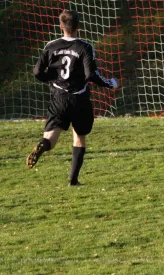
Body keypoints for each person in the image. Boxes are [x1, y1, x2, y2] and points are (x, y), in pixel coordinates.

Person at [26, 10, 118, 186]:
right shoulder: (84, 47)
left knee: (50, 139)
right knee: (79, 137)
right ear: (79, 27)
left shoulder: (51, 45)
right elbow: (90, 74)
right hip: (79, 99)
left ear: (61, 27)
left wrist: (52, 79)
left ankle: (42, 145)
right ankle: (73, 180)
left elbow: (37, 72)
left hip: (58, 98)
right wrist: (111, 83)